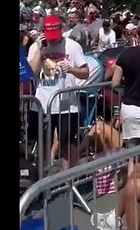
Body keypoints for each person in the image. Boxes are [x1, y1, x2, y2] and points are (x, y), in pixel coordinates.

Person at [26, 16, 92, 170]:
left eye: (56, 35)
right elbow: (32, 74)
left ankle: (68, 181)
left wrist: (71, 69)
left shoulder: (73, 46)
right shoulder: (35, 47)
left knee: (67, 145)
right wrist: (39, 51)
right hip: (42, 104)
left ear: (61, 30)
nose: (53, 40)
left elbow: (85, 72)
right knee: (43, 144)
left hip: (67, 105)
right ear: (43, 32)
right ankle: (42, 179)